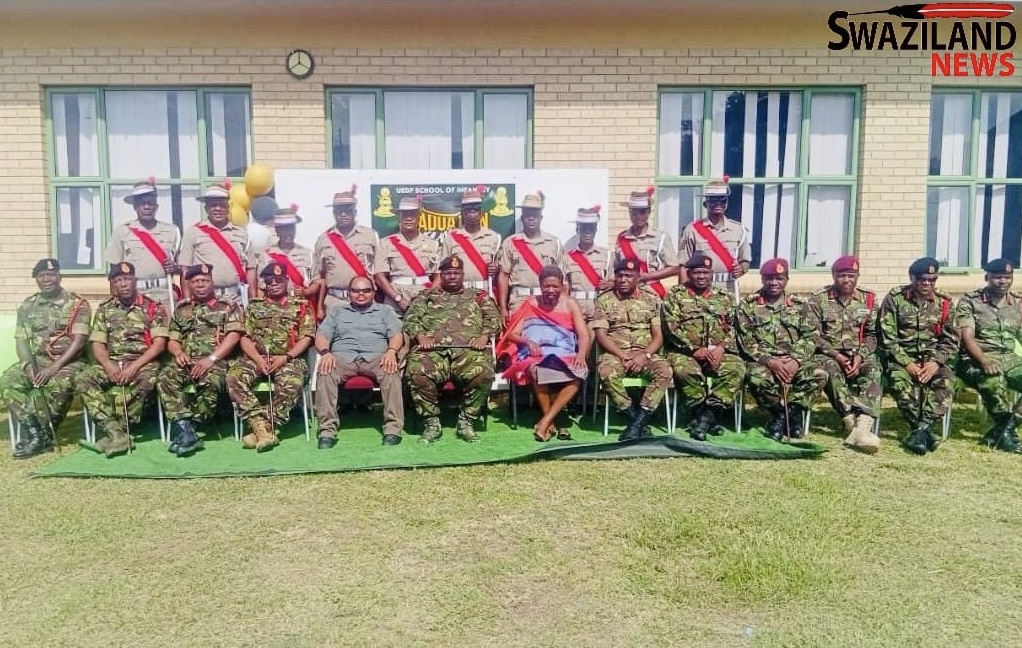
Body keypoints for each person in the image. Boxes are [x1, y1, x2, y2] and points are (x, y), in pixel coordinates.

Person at [403, 255, 501, 444]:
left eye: (456, 273)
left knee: (484, 373)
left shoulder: (478, 296)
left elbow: (494, 319)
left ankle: (466, 421)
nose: (452, 276)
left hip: (469, 350)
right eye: (448, 273)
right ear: (441, 275)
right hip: (432, 351)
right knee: (417, 372)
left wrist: (483, 336)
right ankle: (431, 423)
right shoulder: (426, 296)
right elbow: (411, 318)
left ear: (463, 274)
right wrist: (420, 336)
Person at [0, 259, 91, 458]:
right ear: (36, 280)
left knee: (61, 384)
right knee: (7, 382)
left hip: (70, 361)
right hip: (38, 361)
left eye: (51, 274)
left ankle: (44, 434)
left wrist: (54, 367)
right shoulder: (28, 306)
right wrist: (27, 367)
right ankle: (36, 433)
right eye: (42, 276)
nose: (47, 279)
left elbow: (79, 341)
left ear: (60, 276)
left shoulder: (77, 304)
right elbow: (21, 341)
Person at [78, 262, 169, 457]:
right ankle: (115, 431)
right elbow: (98, 344)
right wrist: (108, 366)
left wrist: (135, 366)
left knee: (148, 379)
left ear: (135, 281)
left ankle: (121, 431)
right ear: (112, 284)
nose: (124, 284)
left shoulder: (153, 307)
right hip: (113, 362)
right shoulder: (104, 309)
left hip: (143, 361)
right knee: (83, 379)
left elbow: (159, 344)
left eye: (128, 279)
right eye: (118, 280)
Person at [226, 262, 316, 452]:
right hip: (256, 358)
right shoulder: (253, 307)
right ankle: (260, 424)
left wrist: (286, 357)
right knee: (233, 377)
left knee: (293, 382)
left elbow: (307, 337)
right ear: (264, 284)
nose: (274, 284)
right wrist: (258, 359)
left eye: (279, 280)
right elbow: (245, 338)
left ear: (287, 281)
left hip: (289, 359)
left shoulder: (301, 306)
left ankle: (265, 428)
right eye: (270, 281)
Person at [157, 263, 244, 457]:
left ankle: (192, 427)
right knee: (164, 378)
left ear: (212, 282)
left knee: (210, 383)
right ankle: (187, 430)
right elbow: (173, 339)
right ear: (189, 284)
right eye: (196, 281)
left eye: (205, 280)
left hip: (216, 361)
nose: (201, 285)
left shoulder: (228, 306)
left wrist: (211, 359)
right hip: (186, 361)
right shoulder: (182, 309)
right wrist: (178, 352)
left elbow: (234, 336)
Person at [496, 266, 591, 442]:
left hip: (565, 352)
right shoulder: (531, 303)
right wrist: (529, 342)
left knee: (577, 376)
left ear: (562, 286)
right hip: (537, 353)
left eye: (555, 286)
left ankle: (546, 421)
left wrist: (581, 354)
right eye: (546, 286)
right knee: (537, 372)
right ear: (540, 285)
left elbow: (584, 334)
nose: (550, 290)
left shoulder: (570, 303)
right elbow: (512, 333)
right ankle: (551, 421)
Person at [737, 258, 825, 441]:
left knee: (818, 374)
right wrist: (770, 361)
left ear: (787, 280)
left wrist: (795, 360)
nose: (774, 282)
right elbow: (745, 339)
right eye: (769, 278)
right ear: (762, 279)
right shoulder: (748, 305)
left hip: (795, 360)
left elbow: (812, 335)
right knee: (756, 378)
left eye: (779, 278)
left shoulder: (800, 305)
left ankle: (781, 419)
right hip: (764, 361)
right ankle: (787, 418)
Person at [877, 257, 958, 455]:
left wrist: (935, 363)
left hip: (933, 360)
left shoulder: (945, 303)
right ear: (912, 278)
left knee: (946, 383)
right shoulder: (895, 299)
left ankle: (921, 429)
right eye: (922, 279)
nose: (927, 284)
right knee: (899, 384)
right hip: (901, 359)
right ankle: (923, 431)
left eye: (932, 280)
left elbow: (951, 341)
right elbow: (887, 339)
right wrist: (907, 364)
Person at [313, 275, 405, 449]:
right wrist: (325, 353)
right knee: (325, 371)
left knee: (391, 371)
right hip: (343, 357)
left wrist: (392, 352)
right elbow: (321, 335)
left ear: (373, 292)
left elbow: (396, 335)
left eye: (366, 291)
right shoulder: (337, 311)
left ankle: (393, 429)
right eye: (355, 291)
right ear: (349, 293)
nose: (360, 295)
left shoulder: (385, 311)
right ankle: (327, 431)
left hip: (376, 356)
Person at [662, 253, 745, 441]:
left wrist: (721, 349)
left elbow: (736, 328)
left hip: (718, 352)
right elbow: (670, 327)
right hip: (684, 352)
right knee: (685, 372)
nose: (701, 276)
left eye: (705, 272)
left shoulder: (725, 297)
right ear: (689, 274)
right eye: (697, 272)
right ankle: (702, 415)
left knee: (736, 369)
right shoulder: (675, 296)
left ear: (711, 274)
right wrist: (693, 349)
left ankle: (707, 416)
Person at [805, 255, 883, 454]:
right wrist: (836, 356)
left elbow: (873, 335)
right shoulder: (818, 299)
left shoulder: (869, 299)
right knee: (830, 370)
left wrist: (860, 356)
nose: (847, 280)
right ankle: (850, 421)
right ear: (833, 275)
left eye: (851, 275)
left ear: (857, 276)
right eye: (842, 275)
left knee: (874, 370)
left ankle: (862, 425)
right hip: (829, 354)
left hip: (860, 355)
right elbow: (812, 335)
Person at [591, 257, 673, 441]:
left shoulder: (651, 299)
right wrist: (623, 356)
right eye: (620, 275)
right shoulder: (604, 300)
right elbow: (601, 335)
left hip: (645, 353)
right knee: (606, 371)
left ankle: (637, 422)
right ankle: (635, 420)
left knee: (664, 369)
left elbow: (658, 336)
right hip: (615, 353)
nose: (623, 280)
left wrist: (645, 355)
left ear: (638, 277)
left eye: (629, 276)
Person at [955, 258, 1022, 453]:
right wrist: (984, 361)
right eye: (998, 277)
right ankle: (1005, 434)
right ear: (987, 277)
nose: (1003, 282)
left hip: (1009, 358)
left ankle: (1004, 429)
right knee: (993, 379)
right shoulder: (971, 301)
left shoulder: (1017, 302)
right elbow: (967, 339)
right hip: (975, 358)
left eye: (1007, 277)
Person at [104, 179, 181, 311]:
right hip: (135, 297)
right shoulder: (122, 231)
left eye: (150, 203)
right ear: (135, 206)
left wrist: (175, 267)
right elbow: (114, 271)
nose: (146, 207)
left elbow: (183, 268)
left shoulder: (172, 231)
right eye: (142, 203)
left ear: (156, 206)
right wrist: (117, 301)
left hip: (165, 295)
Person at [496, 191, 564, 325]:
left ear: (541, 217)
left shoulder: (554, 242)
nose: (531, 218)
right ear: (522, 218)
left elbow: (562, 279)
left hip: (547, 298)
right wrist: (503, 307)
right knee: (519, 340)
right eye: (528, 215)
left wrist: (562, 304)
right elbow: (503, 276)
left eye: (535, 215)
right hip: (520, 300)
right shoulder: (510, 242)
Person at [677, 176, 751, 294]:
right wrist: (683, 296)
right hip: (700, 289)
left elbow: (745, 260)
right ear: (705, 203)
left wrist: (741, 269)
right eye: (712, 200)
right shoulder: (692, 230)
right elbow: (683, 266)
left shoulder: (738, 229)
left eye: (721, 200)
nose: (717, 203)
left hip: (728, 288)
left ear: (726, 203)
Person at [179, 182, 250, 304]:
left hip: (236, 298)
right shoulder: (192, 233)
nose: (217, 209)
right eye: (213, 205)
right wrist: (187, 299)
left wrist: (252, 299)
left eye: (222, 205)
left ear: (228, 208)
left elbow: (251, 268)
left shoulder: (241, 233)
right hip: (205, 299)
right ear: (206, 208)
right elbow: (185, 269)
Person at [313, 185, 379, 312]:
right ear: (334, 213)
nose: (343, 214)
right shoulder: (323, 239)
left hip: (365, 301)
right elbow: (319, 277)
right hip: (335, 302)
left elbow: (379, 272)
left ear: (355, 212)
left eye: (348, 210)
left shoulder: (370, 236)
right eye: (339, 211)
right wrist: (320, 307)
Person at [374, 196, 440, 317]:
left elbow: (438, 276)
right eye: (405, 214)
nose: (408, 218)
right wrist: (398, 298)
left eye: (412, 214)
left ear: (419, 216)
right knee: (396, 334)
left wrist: (426, 298)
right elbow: (379, 277)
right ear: (399, 216)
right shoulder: (386, 243)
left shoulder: (432, 244)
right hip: (395, 299)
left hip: (424, 298)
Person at [247, 206, 321, 308]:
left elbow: (317, 282)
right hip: (275, 310)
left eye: (291, 228)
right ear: (277, 230)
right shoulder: (266, 255)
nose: (288, 233)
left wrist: (306, 292)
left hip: (302, 308)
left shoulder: (307, 253)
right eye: (284, 229)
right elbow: (261, 287)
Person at [612, 187, 678, 298]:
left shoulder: (660, 236)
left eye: (643, 212)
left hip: (651, 291)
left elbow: (674, 268)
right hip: (626, 294)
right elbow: (616, 268)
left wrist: (646, 276)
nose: (639, 216)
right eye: (635, 212)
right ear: (630, 212)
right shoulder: (622, 237)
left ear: (649, 212)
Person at [440, 187, 502, 293]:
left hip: (484, 292)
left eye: (476, 210)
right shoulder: (451, 237)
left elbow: (502, 270)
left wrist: (495, 269)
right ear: (463, 213)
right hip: (459, 293)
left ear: (481, 213)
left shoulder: (493, 237)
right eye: (468, 210)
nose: (472, 214)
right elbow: (442, 270)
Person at [561, 205, 611, 322]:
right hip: (577, 309)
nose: (587, 233)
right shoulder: (567, 258)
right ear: (577, 230)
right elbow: (565, 289)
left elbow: (613, 281)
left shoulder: (607, 255)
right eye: (584, 229)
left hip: (599, 308)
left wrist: (610, 283)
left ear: (596, 230)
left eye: (591, 229)